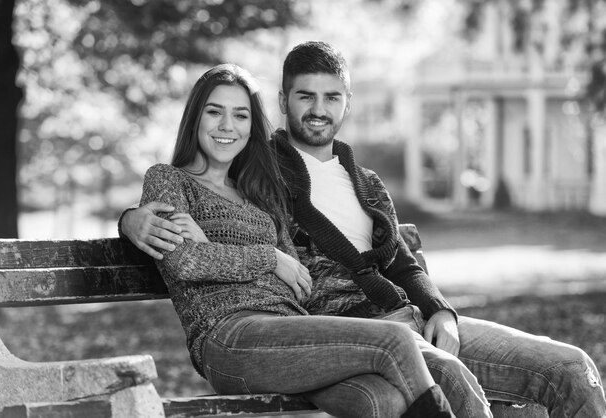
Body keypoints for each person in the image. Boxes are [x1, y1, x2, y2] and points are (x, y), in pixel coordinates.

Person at [122, 44, 606, 418]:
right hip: (337, 330)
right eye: (304, 96)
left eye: (331, 97)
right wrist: (131, 221)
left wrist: (440, 310)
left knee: (572, 369)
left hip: (395, 321)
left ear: (347, 103)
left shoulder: (361, 184)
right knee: (399, 389)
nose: (318, 109)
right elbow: (190, 232)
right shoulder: (267, 171)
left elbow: (400, 259)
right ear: (283, 102)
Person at [135, 62, 455, 418]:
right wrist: (268, 259)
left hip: (292, 332)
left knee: (382, 401)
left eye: (241, 116)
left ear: (251, 126)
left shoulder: (257, 191)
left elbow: (298, 281)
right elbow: (185, 261)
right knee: (395, 342)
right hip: (228, 335)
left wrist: (212, 251)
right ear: (195, 117)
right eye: (214, 112)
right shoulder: (168, 179)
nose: (228, 126)